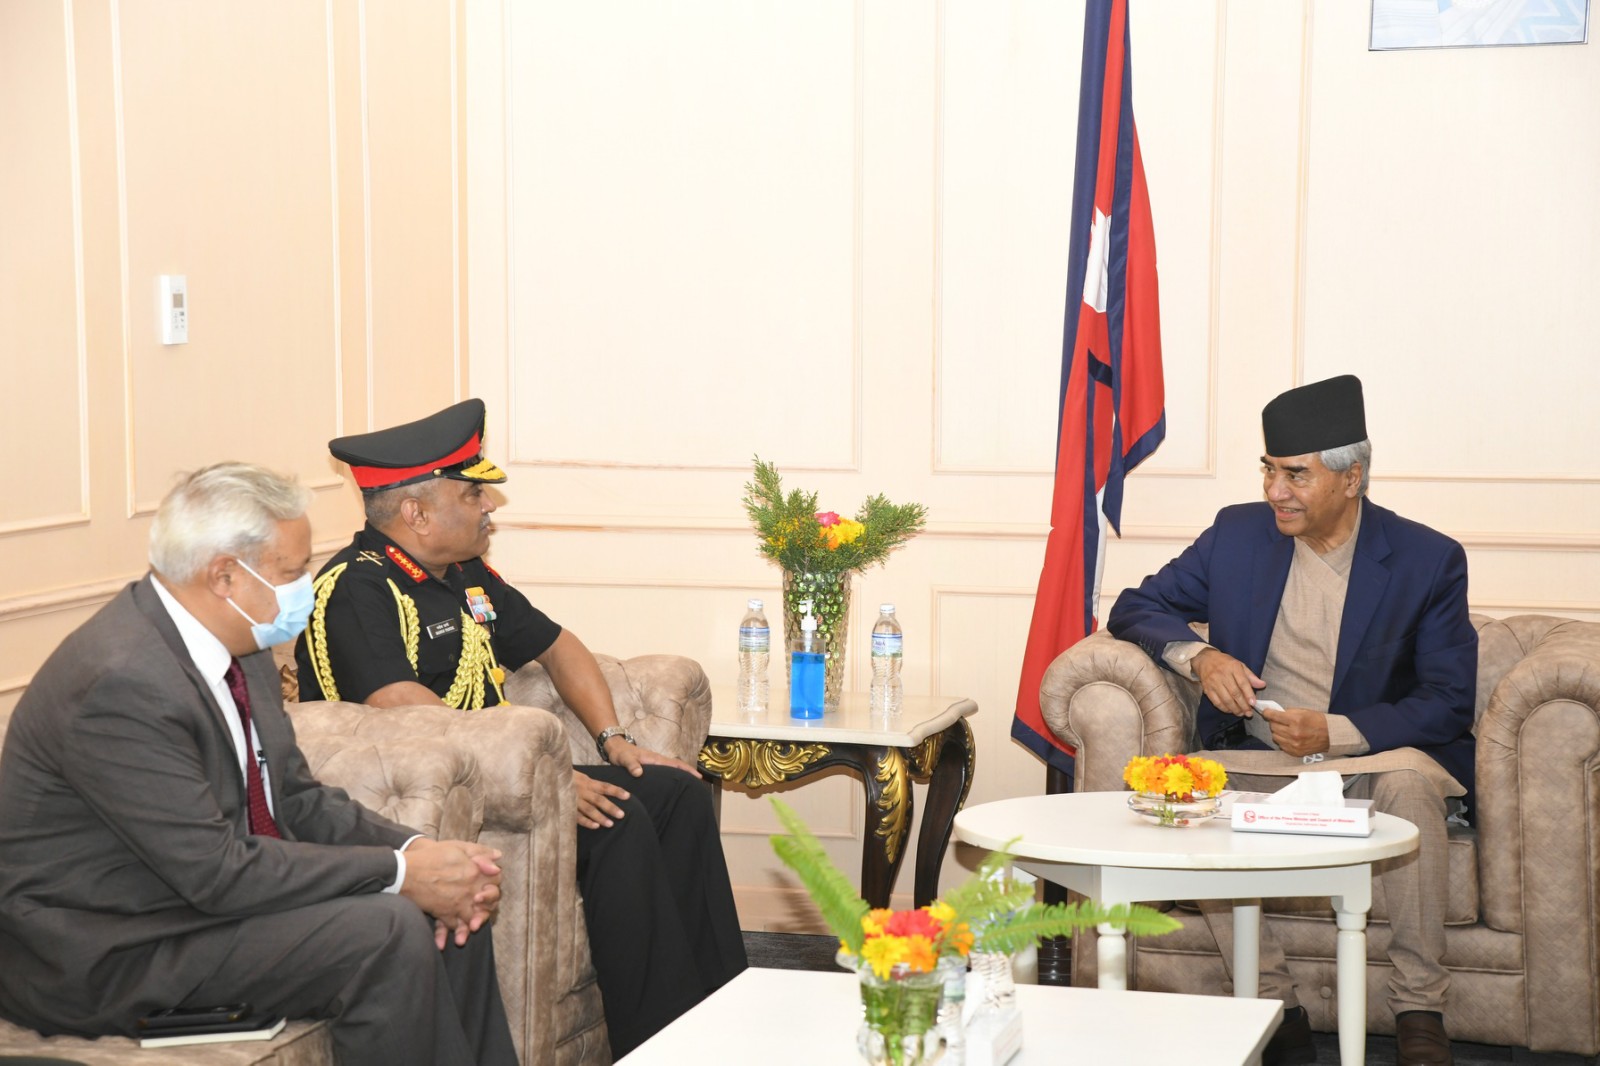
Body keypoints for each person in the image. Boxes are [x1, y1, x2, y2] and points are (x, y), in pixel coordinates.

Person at [0, 463, 517, 1066]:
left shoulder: (237, 641)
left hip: (190, 908)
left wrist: (423, 856)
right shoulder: (120, 682)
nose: (306, 586)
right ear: (225, 575)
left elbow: (296, 800)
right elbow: (216, 872)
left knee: (448, 905)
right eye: (293, 572)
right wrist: (398, 875)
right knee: (388, 932)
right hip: (105, 949)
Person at [296, 399, 747, 1058]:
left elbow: (560, 646)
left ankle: (721, 1013)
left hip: (513, 781)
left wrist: (615, 739)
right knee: (618, 822)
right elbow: (401, 706)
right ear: (416, 512)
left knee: (671, 792)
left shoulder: (464, 576)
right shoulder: (356, 588)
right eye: (473, 493)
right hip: (437, 802)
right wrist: (553, 779)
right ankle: (657, 1042)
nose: (490, 506)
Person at [1107, 375, 1475, 1066]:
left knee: (1413, 788)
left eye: (1296, 475)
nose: (1276, 490)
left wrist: (1336, 731)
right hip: (1259, 763)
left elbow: (1448, 699)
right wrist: (1202, 656)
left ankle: (1420, 1008)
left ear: (1352, 477)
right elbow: (1134, 605)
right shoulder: (1238, 534)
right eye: (1269, 470)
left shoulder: (1426, 560)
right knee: (1192, 796)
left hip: (1371, 761)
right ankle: (1277, 1005)